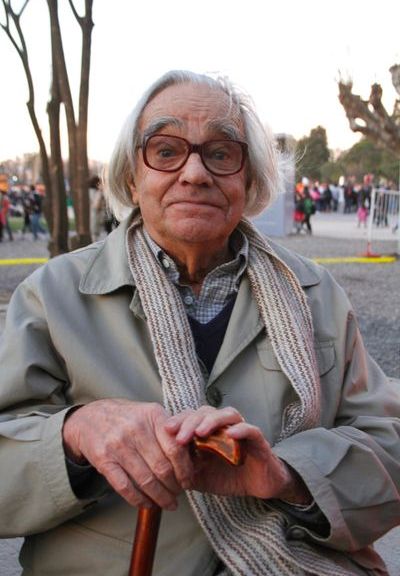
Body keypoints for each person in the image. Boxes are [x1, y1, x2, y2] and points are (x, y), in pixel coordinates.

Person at [0, 70, 399, 576]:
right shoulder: (53, 294)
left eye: (221, 153)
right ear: (131, 178)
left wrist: (288, 475)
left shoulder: (316, 294)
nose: (194, 173)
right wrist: (75, 435)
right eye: (166, 151)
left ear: (249, 181)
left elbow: (389, 442)